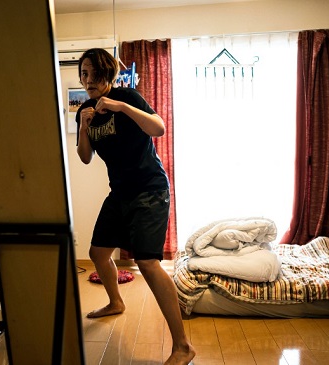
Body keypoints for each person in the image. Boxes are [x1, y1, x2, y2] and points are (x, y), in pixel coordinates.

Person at [75, 48, 195, 365]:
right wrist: (84, 127)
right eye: (83, 74)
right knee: (98, 253)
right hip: (121, 193)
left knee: (148, 262)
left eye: (92, 73)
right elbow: (85, 156)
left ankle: (182, 346)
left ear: (106, 74)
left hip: (150, 190)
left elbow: (158, 128)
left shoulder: (126, 96)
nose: (87, 80)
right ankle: (116, 301)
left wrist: (121, 107)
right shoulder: (84, 110)